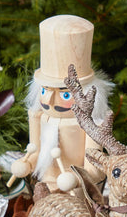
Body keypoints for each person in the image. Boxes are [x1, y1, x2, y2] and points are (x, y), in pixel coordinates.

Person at [10, 14, 113, 194]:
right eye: (44, 91)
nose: (49, 101)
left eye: (65, 94)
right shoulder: (39, 116)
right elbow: (36, 152)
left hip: (77, 191)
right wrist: (26, 164)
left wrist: (74, 179)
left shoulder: (90, 125)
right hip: (45, 187)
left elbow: (94, 170)